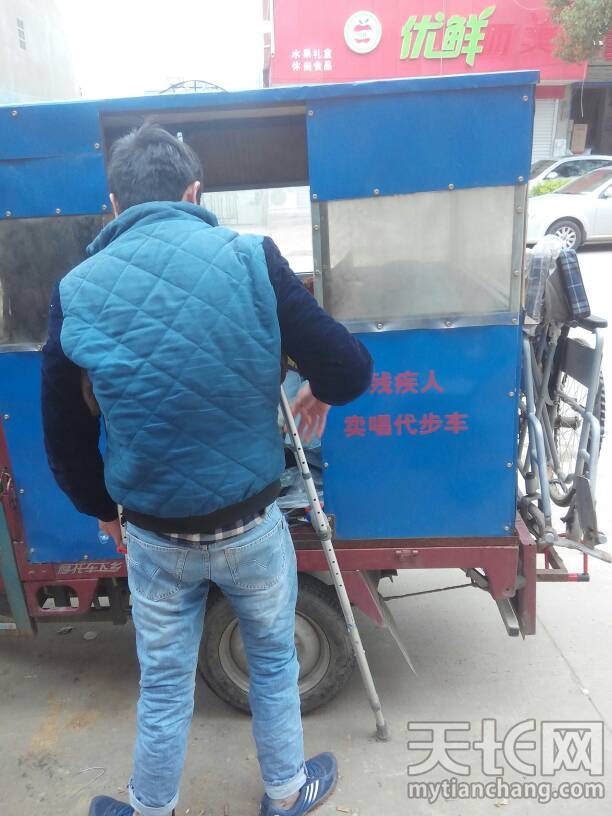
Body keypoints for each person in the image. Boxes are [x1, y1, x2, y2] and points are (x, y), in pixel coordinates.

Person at [41, 124, 372, 816]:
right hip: (252, 526)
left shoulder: (75, 291)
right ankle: (286, 792)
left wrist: (101, 509)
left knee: (164, 683)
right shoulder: (252, 258)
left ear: (114, 204)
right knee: (273, 660)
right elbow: (348, 368)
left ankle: (150, 807)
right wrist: (319, 387)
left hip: (155, 535)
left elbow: (64, 435)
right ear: (195, 193)